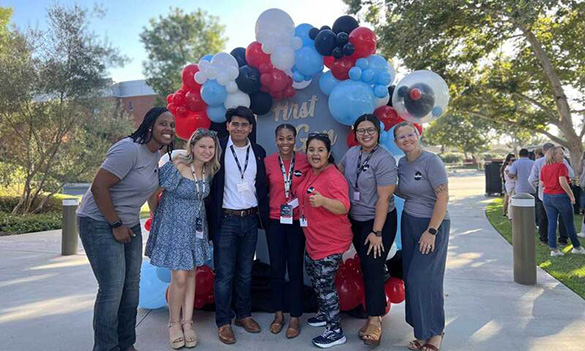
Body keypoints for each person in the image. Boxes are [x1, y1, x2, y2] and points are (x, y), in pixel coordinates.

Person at [76, 107, 175, 351]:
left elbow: (152, 191)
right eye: (163, 123)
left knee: (131, 288)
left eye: (172, 125)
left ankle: (125, 344)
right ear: (150, 125)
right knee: (112, 289)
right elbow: (99, 187)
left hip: (128, 223)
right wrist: (115, 224)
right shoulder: (128, 149)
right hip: (99, 222)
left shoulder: (155, 155)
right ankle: (106, 348)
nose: (169, 129)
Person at [145, 129, 220, 349]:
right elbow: (153, 192)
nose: (206, 151)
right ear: (193, 147)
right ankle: (173, 323)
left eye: (211, 147)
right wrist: (155, 214)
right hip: (172, 226)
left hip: (195, 228)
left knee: (191, 273)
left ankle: (188, 323)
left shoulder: (209, 169)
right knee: (178, 278)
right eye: (202, 146)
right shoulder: (177, 164)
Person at [207, 106, 270, 344]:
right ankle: (224, 321)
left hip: (250, 220)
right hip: (226, 220)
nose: (240, 128)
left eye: (244, 125)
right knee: (224, 274)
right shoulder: (218, 150)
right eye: (236, 124)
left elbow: (262, 186)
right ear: (228, 126)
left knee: (245, 273)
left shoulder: (259, 151)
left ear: (251, 128)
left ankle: (243, 314)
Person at [338, 114, 397, 346]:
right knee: (365, 265)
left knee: (372, 266)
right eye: (361, 130)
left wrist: (377, 232)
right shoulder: (352, 153)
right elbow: (340, 171)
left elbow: (384, 199)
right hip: (356, 219)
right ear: (355, 133)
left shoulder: (385, 159)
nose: (365, 134)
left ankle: (375, 320)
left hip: (378, 221)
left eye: (370, 130)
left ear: (377, 132)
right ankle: (373, 311)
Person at [393, 122, 449, 351]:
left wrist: (432, 231)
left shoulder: (431, 161)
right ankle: (422, 332)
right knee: (411, 279)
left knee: (425, 279)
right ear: (396, 142)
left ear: (417, 135)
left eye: (410, 134)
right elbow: (401, 190)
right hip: (409, 223)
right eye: (401, 137)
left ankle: (436, 333)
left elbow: (443, 197)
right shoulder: (402, 164)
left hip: (433, 225)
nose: (406, 139)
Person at [294, 133, 352, 349]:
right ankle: (324, 314)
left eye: (320, 150)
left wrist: (323, 201)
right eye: (311, 149)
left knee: (325, 285)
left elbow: (344, 206)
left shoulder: (333, 176)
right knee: (316, 281)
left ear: (328, 153)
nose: (315, 154)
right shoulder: (311, 172)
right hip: (313, 240)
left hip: (331, 242)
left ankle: (335, 331)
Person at [264, 124, 310, 338]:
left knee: (295, 270)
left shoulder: (304, 160)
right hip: (275, 221)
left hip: (297, 222)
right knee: (276, 270)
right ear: (276, 140)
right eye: (281, 138)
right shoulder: (268, 162)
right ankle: (278, 314)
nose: (285, 142)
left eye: (289, 138)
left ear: (295, 139)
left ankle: (294, 317)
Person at [540, 146, 585, 257]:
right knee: (569, 223)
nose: (563, 156)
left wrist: (551, 184)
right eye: (560, 154)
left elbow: (542, 184)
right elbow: (562, 182)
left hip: (547, 197)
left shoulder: (545, 167)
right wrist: (571, 196)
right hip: (560, 196)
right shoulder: (561, 166)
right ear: (554, 155)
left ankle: (553, 250)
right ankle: (577, 247)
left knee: (552, 223)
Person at [528, 143, 572, 245]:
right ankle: (563, 239)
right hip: (560, 193)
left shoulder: (538, 162)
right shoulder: (563, 161)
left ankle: (544, 238)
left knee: (544, 217)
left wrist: (537, 187)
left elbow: (531, 179)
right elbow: (571, 174)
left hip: (544, 194)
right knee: (562, 217)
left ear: (544, 151)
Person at [501, 153, 516, 218]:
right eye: (512, 160)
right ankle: (510, 216)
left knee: (508, 199)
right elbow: (512, 177)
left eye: (515, 160)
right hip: (510, 186)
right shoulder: (508, 168)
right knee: (510, 200)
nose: (514, 162)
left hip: (510, 185)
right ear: (508, 161)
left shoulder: (511, 167)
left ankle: (508, 214)